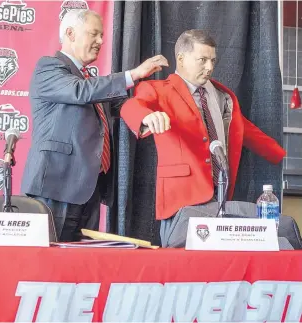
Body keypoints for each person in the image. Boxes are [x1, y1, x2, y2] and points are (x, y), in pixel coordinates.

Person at [120, 29, 286, 244]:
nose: (210, 67)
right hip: (181, 203)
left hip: (220, 197)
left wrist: (280, 154)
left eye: (213, 60)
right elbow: (132, 106)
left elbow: (244, 129)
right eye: (202, 60)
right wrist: (146, 117)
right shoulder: (158, 89)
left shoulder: (220, 95)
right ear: (181, 58)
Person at [20, 9, 169, 242]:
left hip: (87, 189)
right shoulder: (49, 67)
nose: (100, 41)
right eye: (94, 34)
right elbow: (79, 92)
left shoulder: (90, 79)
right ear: (70, 33)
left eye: (102, 35)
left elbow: (120, 105)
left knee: (79, 265)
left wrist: (144, 117)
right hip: (55, 188)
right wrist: (134, 74)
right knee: (50, 263)